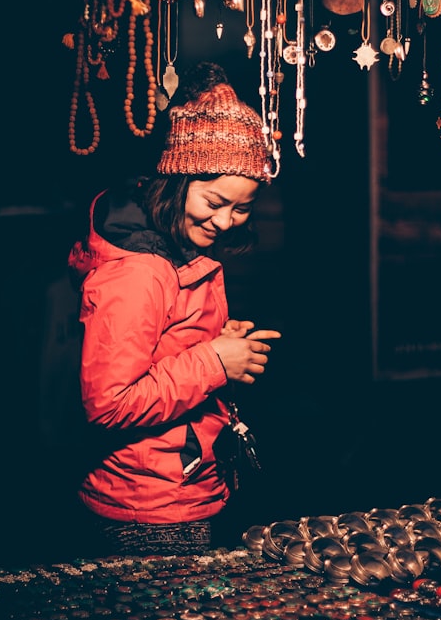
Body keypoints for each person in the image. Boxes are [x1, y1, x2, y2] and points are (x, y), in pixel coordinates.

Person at [67, 62, 282, 556]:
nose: (227, 221)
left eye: (242, 208)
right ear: (177, 180)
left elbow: (160, 346)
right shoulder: (140, 270)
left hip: (185, 485)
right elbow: (108, 404)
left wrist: (215, 341)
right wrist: (214, 362)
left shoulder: (182, 243)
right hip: (147, 507)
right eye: (215, 201)